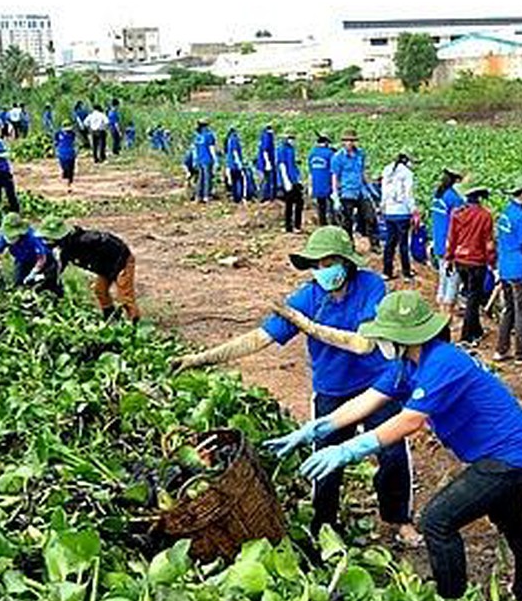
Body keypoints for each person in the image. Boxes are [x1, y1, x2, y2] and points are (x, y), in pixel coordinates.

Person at [268, 290, 522, 601]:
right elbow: (368, 400)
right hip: (503, 453)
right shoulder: (407, 364)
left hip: (510, 458)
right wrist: (319, 427)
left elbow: (408, 422)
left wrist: (348, 450)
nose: (379, 342)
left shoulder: (442, 362)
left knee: (437, 521)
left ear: (403, 335)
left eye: (383, 335)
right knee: (511, 519)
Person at [172, 227, 419, 545]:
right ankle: (324, 526)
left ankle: (399, 520)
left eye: (328, 262)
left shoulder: (370, 285)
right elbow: (258, 339)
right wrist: (200, 358)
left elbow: (363, 345)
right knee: (326, 459)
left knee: (394, 452)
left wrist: (307, 326)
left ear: (345, 262)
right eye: (315, 264)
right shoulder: (306, 297)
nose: (321, 270)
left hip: (377, 384)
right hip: (332, 389)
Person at [36, 217, 140, 322]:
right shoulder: (66, 249)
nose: (48, 242)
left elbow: (116, 248)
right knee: (100, 291)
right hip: (104, 267)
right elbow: (58, 270)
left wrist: (116, 273)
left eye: (50, 239)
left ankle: (134, 324)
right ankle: (110, 316)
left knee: (125, 296)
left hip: (122, 261)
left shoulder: (87, 240)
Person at [494, 177, 522, 364]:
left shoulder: (506, 213)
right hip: (519, 269)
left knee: (508, 310)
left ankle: (501, 349)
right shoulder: (521, 217)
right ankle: (521, 353)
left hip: (505, 267)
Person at [445, 187, 495, 345]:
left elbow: (451, 238)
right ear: (479, 198)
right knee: (474, 299)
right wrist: (492, 263)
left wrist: (449, 258)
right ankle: (467, 336)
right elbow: (488, 244)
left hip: (460, 260)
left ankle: (477, 330)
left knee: (470, 295)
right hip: (476, 262)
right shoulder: (485, 215)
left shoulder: (457, 213)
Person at [0, 213, 62, 297]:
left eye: (12, 237)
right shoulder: (4, 237)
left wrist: (33, 272)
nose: (8, 239)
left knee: (45, 284)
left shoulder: (32, 238)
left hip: (44, 262)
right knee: (18, 284)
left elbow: (42, 258)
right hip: (22, 261)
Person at [331, 129, 377, 251]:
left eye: (352, 140)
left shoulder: (360, 154)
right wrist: (335, 195)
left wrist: (370, 187)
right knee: (347, 222)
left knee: (370, 217)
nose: (350, 143)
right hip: (347, 192)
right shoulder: (337, 157)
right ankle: (348, 246)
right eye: (347, 140)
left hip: (361, 190)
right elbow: (335, 177)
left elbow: (363, 172)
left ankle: (374, 243)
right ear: (343, 142)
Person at [431, 169, 464, 316]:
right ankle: (447, 314)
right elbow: (459, 224)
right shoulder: (454, 199)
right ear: (457, 181)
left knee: (443, 276)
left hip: (438, 241)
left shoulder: (438, 196)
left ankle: (440, 308)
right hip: (450, 243)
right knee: (452, 279)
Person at [380, 152, 417, 280]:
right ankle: (406, 272)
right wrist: (414, 211)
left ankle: (386, 271)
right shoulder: (407, 173)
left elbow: (383, 192)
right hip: (402, 212)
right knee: (403, 244)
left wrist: (383, 207)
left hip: (389, 212)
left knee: (390, 242)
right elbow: (408, 194)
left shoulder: (387, 170)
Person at [277, 130, 304, 232]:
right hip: (288, 181)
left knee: (299, 203)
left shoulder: (291, 149)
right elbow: (282, 165)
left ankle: (296, 225)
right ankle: (289, 226)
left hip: (294, 180)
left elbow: (294, 165)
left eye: (293, 138)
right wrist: (286, 181)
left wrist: (299, 178)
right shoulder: (281, 149)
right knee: (290, 204)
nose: (292, 140)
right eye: (290, 138)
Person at [308, 132, 335, 225]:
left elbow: (310, 172)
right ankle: (332, 224)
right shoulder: (330, 154)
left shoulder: (312, 153)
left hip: (316, 185)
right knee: (331, 207)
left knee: (321, 207)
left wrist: (310, 186)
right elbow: (334, 171)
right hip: (328, 185)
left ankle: (322, 224)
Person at [192, 119, 218, 203]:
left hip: (199, 159)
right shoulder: (209, 135)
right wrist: (215, 160)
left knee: (200, 178)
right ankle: (206, 196)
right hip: (207, 159)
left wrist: (195, 160)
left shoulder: (197, 136)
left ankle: (198, 196)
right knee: (207, 178)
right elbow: (212, 148)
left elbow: (194, 149)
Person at [224, 126, 246, 203]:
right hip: (235, 165)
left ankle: (234, 198)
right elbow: (235, 152)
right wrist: (239, 163)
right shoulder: (234, 139)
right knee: (239, 181)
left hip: (229, 165)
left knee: (233, 182)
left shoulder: (228, 140)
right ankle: (239, 198)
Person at [54, 122, 78, 191]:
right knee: (65, 168)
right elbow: (56, 143)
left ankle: (70, 183)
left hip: (71, 153)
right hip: (62, 154)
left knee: (71, 169)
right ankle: (66, 182)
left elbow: (75, 143)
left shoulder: (73, 134)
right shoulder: (58, 134)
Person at [257, 123, 277, 201]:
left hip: (263, 162)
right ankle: (264, 197)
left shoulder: (263, 136)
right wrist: (268, 163)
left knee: (266, 179)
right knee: (266, 180)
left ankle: (266, 196)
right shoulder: (267, 136)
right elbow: (265, 151)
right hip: (265, 162)